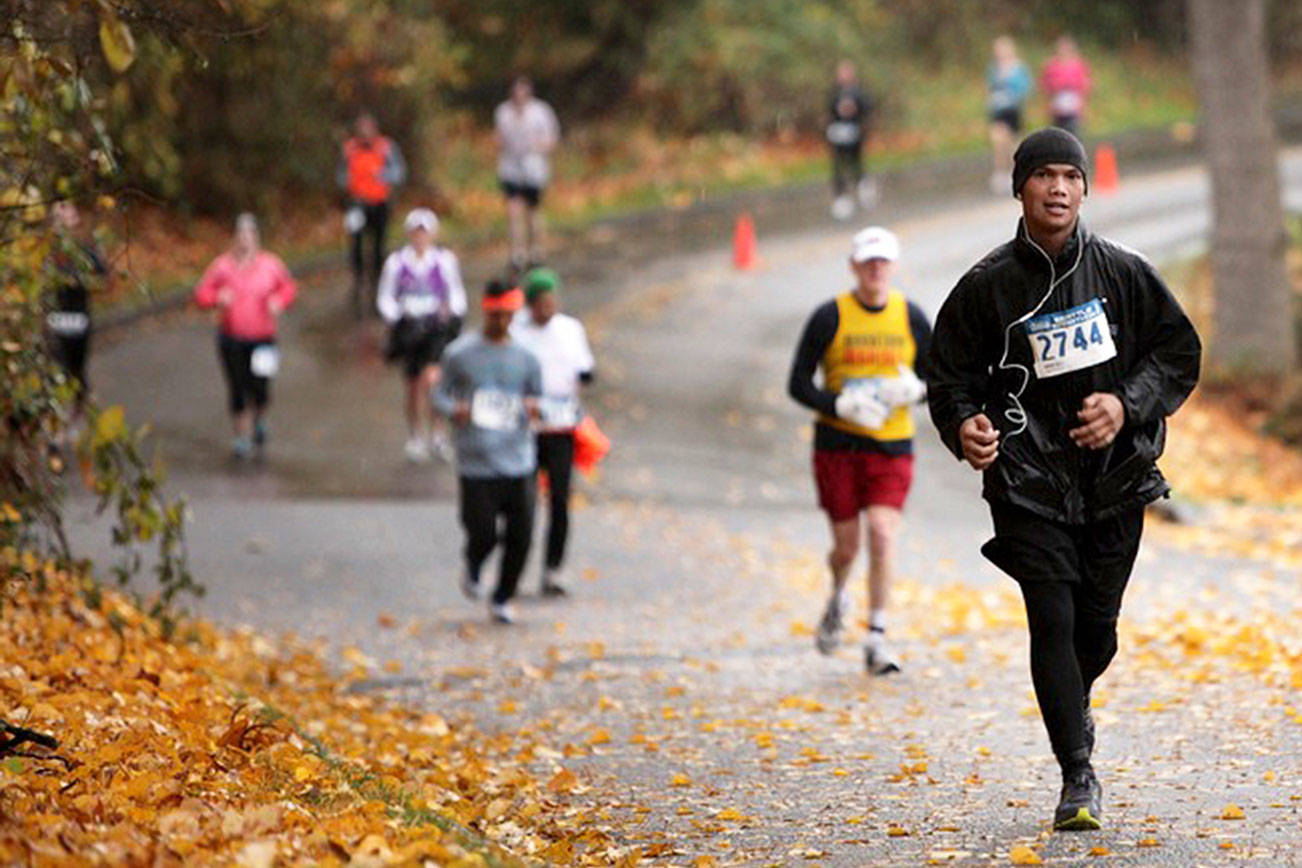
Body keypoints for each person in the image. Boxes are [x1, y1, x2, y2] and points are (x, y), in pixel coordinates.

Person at [926, 128, 1200, 831]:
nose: (1057, 188)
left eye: (1069, 176)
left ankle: (1071, 705)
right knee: (1050, 615)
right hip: (1027, 480)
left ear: (1085, 188)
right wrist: (964, 427)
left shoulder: (1124, 273)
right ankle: (1078, 774)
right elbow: (949, 375)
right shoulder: (987, 285)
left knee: (1095, 635)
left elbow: (1177, 352)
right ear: (1020, 189)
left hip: (1117, 477)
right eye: (1042, 175)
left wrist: (1125, 403)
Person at [787, 226, 932, 675]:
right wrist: (838, 403)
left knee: (883, 533)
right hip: (838, 446)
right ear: (853, 266)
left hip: (891, 445)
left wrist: (916, 390)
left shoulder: (911, 317)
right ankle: (837, 593)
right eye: (867, 262)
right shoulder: (829, 316)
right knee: (847, 548)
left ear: (892, 266)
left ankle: (877, 635)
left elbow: (937, 381)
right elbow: (796, 383)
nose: (875, 269)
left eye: (882, 262)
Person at [434, 280, 543, 624]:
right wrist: (455, 410)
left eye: (508, 315)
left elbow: (539, 400)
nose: (501, 322)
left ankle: (503, 596)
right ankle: (475, 561)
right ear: (485, 311)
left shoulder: (527, 357)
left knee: (522, 535)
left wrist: (533, 408)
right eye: (495, 315)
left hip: (519, 459)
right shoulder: (460, 353)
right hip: (477, 460)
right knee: (481, 530)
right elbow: (439, 395)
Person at [510, 267, 596, 597]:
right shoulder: (517, 331)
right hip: (526, 429)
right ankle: (514, 568)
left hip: (561, 426)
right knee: (523, 503)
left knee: (560, 499)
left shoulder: (570, 329)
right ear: (530, 304)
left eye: (552, 302)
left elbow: (585, 368)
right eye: (542, 304)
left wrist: (584, 377)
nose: (548, 309)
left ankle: (553, 568)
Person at [194, 214, 298, 460]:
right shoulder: (222, 266)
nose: (245, 240)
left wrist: (279, 301)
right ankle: (241, 434)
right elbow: (201, 293)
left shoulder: (271, 264)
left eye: (250, 235)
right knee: (238, 387)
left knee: (261, 386)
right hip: (232, 338)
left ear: (257, 238)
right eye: (241, 235)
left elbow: (289, 288)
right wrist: (217, 298)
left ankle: (260, 419)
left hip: (264, 339)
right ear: (234, 238)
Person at [376, 208, 467, 464]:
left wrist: (450, 316)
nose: (420, 238)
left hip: (435, 330)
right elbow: (385, 297)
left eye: (424, 232)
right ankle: (416, 435)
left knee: (433, 380)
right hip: (409, 331)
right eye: (416, 232)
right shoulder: (396, 263)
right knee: (413, 386)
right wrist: (397, 317)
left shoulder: (444, 261)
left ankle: (438, 434)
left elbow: (457, 295)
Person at [337, 111, 407, 317]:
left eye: (368, 128)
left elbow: (399, 171)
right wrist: (348, 183)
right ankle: (358, 280)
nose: (365, 132)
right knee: (356, 243)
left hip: (380, 204)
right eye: (361, 128)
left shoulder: (386, 147)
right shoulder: (349, 149)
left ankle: (377, 281)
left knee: (379, 244)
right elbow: (340, 174)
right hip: (356, 205)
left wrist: (383, 176)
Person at [44, 201, 108, 421]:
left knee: (77, 368)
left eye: (68, 217)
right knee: (57, 368)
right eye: (59, 218)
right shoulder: (46, 253)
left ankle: (80, 408)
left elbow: (101, 274)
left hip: (79, 318)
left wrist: (99, 258)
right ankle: (59, 416)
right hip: (55, 319)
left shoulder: (84, 250)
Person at [494, 77, 560, 271]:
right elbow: (498, 138)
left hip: (533, 167)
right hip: (511, 167)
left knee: (533, 211)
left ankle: (536, 250)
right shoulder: (503, 112)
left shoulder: (540, 111)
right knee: (513, 210)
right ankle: (517, 253)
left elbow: (551, 138)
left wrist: (537, 145)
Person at [825, 60, 877, 221]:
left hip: (855, 133)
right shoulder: (834, 93)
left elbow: (866, 109)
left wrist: (857, 116)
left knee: (857, 163)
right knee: (838, 167)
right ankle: (842, 199)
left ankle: (864, 189)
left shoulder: (858, 92)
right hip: (839, 135)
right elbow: (830, 111)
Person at [986, 36, 1032, 195]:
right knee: (998, 141)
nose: (1000, 53)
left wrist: (1012, 91)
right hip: (998, 110)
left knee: (1013, 145)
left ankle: (1015, 173)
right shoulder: (994, 69)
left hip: (1013, 110)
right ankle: (1000, 173)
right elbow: (990, 88)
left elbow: (1025, 88)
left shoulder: (1018, 68)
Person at [1040, 35, 1092, 136]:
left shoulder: (1079, 65)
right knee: (1058, 134)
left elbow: (1085, 85)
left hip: (1073, 108)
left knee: (1074, 133)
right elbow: (1045, 84)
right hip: (1057, 108)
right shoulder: (1051, 65)